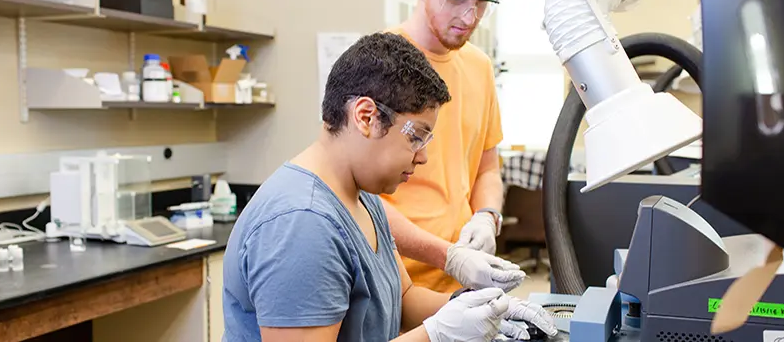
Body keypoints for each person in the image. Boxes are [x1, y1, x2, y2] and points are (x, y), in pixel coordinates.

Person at [221, 32, 558, 342]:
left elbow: (404, 298)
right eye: (416, 136)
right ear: (366, 117)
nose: (423, 157)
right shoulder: (302, 223)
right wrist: (437, 335)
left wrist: (481, 313)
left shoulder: (362, 195)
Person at [383, 0, 512, 293]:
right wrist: (447, 256)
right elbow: (358, 197)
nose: (470, 17)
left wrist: (487, 216)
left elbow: (487, 170)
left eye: (482, 3)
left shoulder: (480, 67)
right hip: (396, 282)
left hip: (464, 279)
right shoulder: (380, 61)